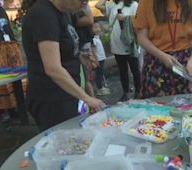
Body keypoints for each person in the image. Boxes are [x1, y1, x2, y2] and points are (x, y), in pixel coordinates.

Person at [22, 0, 106, 131]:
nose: (85, 4)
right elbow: (52, 68)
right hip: (51, 99)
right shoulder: (43, 14)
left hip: (66, 94)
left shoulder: (65, 13)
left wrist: (79, 56)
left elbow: (63, 48)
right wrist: (86, 98)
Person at [133, 0, 192, 99]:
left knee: (188, 108)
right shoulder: (146, 2)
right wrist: (162, 56)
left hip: (185, 64)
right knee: (156, 109)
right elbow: (141, 38)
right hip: (156, 61)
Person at [95, 0, 140, 101]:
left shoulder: (134, 5)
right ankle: (126, 92)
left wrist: (126, 18)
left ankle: (138, 92)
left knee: (135, 69)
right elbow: (98, 6)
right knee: (122, 70)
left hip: (130, 44)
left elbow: (139, 21)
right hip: (116, 45)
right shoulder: (112, 5)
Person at [92, 22, 110, 96]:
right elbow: (94, 51)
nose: (98, 29)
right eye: (95, 27)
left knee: (101, 73)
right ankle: (99, 88)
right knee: (98, 74)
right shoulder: (93, 40)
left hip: (102, 58)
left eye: (99, 27)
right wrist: (96, 60)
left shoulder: (98, 38)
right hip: (98, 59)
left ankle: (101, 86)